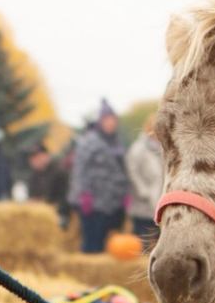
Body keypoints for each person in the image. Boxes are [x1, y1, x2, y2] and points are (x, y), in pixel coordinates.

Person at [70, 100, 129, 253]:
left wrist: (126, 193)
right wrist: (84, 194)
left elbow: (122, 171)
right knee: (92, 243)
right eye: (107, 120)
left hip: (113, 202)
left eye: (113, 120)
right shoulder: (89, 141)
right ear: (100, 122)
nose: (110, 124)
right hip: (94, 202)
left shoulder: (117, 142)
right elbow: (80, 169)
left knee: (110, 243)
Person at [125, 111, 165, 248]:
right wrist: (144, 192)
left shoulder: (163, 148)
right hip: (143, 206)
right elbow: (132, 173)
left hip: (160, 205)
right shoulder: (138, 149)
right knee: (143, 245)